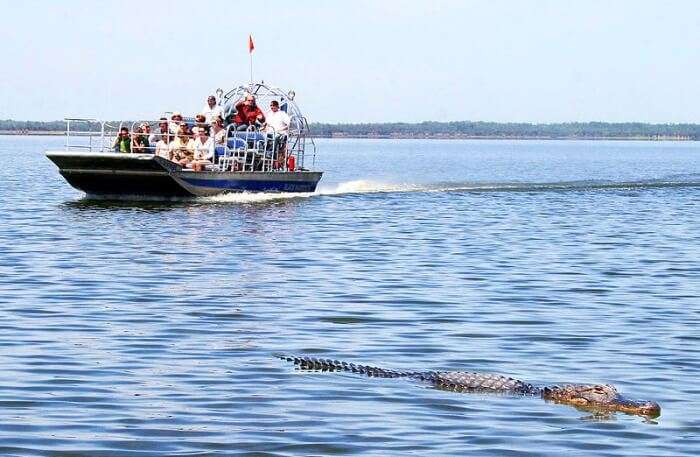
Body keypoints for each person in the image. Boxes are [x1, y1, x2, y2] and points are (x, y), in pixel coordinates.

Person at [264, 100, 291, 168]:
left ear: (277, 106)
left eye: (273, 105)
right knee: (262, 137)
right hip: (270, 132)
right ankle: (262, 153)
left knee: (276, 137)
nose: (272, 107)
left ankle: (270, 153)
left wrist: (282, 129)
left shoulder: (282, 114)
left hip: (280, 133)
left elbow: (288, 124)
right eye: (271, 105)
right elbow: (266, 124)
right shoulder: (269, 114)